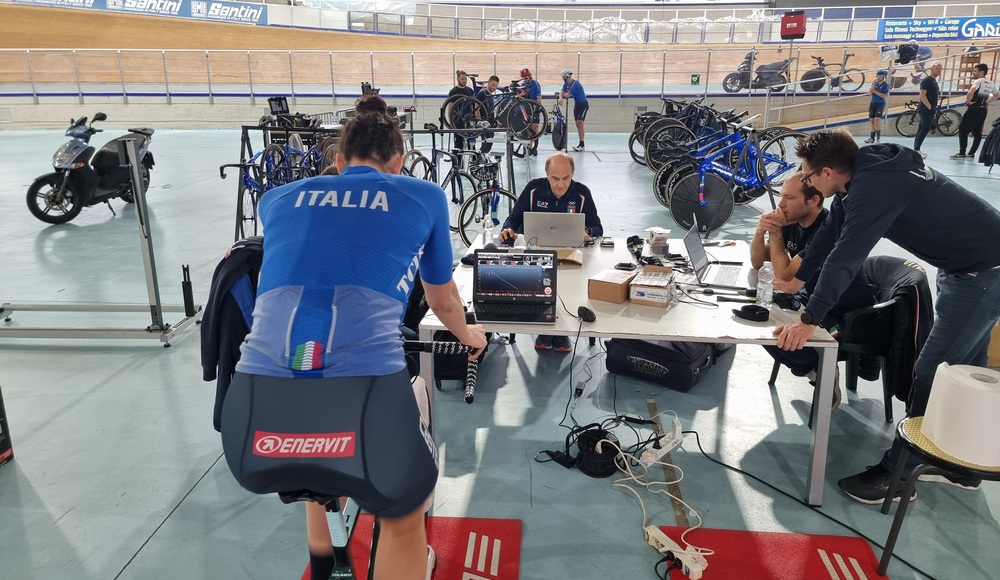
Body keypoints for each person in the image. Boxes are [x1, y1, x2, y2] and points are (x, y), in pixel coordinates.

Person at [222, 96, 488, 580]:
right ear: (399, 163)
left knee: (320, 461)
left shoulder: (276, 199)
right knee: (404, 508)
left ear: (338, 161)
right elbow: (442, 299)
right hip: (360, 392)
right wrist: (470, 336)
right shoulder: (423, 195)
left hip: (252, 421)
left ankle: (324, 564)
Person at [771, 128, 1000, 505]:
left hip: (985, 273)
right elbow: (830, 235)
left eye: (808, 175)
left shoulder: (874, 187)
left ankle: (901, 471)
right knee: (963, 369)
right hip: (963, 269)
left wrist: (809, 319)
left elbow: (846, 255)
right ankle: (957, 466)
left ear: (827, 173)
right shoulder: (860, 175)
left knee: (931, 372)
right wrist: (794, 280)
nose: (807, 181)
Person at [751, 173, 877, 408]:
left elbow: (785, 275)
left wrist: (775, 234)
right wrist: (760, 232)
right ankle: (815, 371)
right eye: (781, 196)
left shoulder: (826, 230)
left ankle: (822, 370)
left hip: (846, 313)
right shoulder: (795, 222)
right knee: (758, 321)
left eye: (789, 197)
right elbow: (758, 262)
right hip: (812, 301)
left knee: (783, 335)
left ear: (813, 201)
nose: (781, 205)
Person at [498, 152, 603, 352]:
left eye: (566, 178)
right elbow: (514, 218)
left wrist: (588, 232)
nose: (561, 184)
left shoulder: (582, 193)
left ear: (573, 174)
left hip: (571, 256)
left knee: (569, 287)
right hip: (537, 256)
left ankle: (562, 333)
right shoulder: (533, 189)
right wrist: (507, 229)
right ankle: (545, 329)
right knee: (542, 282)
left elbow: (598, 227)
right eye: (555, 178)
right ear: (546, 174)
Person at [952, 63, 1000, 160]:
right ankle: (971, 153)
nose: (973, 73)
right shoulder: (990, 83)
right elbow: (997, 95)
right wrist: (986, 102)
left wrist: (967, 102)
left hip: (974, 109)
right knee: (977, 132)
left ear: (981, 72)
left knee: (963, 130)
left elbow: (971, 91)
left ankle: (962, 152)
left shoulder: (979, 81)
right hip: (983, 110)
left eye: (975, 71)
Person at [912, 62, 942, 158]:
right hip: (926, 108)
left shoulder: (933, 81)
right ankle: (917, 149)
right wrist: (929, 107)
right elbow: (922, 95)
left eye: (940, 69)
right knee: (925, 129)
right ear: (931, 69)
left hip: (929, 108)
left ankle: (916, 149)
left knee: (921, 129)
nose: (939, 70)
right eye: (937, 68)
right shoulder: (927, 81)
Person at [558, 68, 589, 152]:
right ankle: (580, 143)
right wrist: (561, 97)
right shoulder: (566, 84)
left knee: (580, 123)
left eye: (563, 77)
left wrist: (563, 95)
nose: (562, 78)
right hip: (577, 104)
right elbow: (562, 91)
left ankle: (582, 144)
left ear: (566, 77)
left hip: (583, 105)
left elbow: (567, 95)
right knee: (577, 124)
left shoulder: (575, 83)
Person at [448, 70, 475, 151]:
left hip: (468, 118)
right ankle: (457, 161)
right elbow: (450, 107)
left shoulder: (470, 90)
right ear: (458, 79)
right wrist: (451, 121)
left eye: (465, 79)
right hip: (457, 119)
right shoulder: (453, 92)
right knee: (459, 141)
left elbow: (474, 104)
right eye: (462, 79)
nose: (464, 81)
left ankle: (474, 159)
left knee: (472, 140)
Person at [519, 68, 543, 157]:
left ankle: (534, 148)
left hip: (535, 107)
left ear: (529, 76)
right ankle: (528, 147)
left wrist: (536, 107)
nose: (525, 79)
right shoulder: (523, 85)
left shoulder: (535, 84)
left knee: (535, 129)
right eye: (523, 78)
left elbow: (539, 97)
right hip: (527, 109)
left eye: (526, 77)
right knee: (527, 128)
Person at [475, 75, 501, 154]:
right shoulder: (482, 93)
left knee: (488, 145)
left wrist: (496, 122)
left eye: (496, 86)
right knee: (486, 145)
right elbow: (476, 108)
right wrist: (479, 121)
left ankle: (480, 158)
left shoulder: (490, 96)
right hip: (483, 123)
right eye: (493, 85)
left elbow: (490, 111)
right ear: (488, 83)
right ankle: (478, 159)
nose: (494, 88)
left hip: (488, 123)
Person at [864, 70, 890, 144]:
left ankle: (878, 137)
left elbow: (884, 95)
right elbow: (870, 94)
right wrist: (872, 90)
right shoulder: (874, 82)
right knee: (872, 120)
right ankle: (872, 137)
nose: (878, 78)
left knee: (877, 120)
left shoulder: (886, 84)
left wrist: (874, 91)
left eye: (880, 76)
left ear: (884, 77)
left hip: (880, 104)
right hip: (873, 103)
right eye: (877, 76)